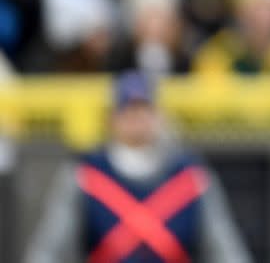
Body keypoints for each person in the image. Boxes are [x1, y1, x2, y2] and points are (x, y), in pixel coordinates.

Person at [25, 71, 251, 263]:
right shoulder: (86, 177)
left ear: (157, 115)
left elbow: (226, 250)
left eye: (143, 109)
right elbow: (49, 251)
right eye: (128, 109)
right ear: (112, 117)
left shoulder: (191, 179)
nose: (136, 118)